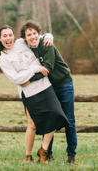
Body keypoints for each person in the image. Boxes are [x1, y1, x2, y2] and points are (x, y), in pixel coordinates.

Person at [0, 25, 69, 163]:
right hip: (29, 92)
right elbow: (16, 79)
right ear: (0, 39)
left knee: (56, 116)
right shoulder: (3, 59)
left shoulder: (20, 42)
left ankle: (44, 150)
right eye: (4, 36)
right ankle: (28, 155)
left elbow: (36, 37)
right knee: (32, 124)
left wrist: (49, 36)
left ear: (14, 36)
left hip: (45, 86)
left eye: (10, 35)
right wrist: (35, 69)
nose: (8, 38)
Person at [19, 20, 77, 164]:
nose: (32, 37)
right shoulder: (26, 48)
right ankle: (47, 154)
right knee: (50, 119)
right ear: (25, 37)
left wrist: (28, 80)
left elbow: (47, 68)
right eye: (29, 35)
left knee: (68, 120)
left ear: (38, 33)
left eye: (34, 33)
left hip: (63, 83)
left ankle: (71, 154)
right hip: (47, 87)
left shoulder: (46, 44)